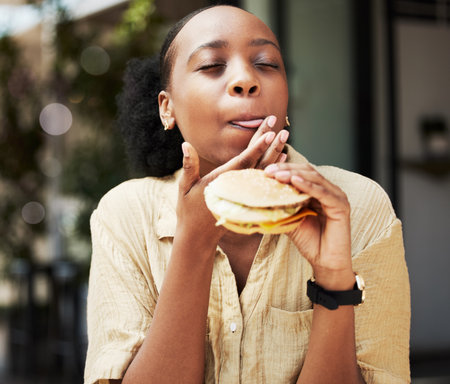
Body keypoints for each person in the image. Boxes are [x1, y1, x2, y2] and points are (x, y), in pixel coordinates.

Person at [84, 5, 410, 384]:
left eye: (266, 63)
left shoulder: (357, 205)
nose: (246, 80)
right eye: (211, 65)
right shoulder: (125, 215)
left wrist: (334, 280)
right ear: (166, 108)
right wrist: (194, 242)